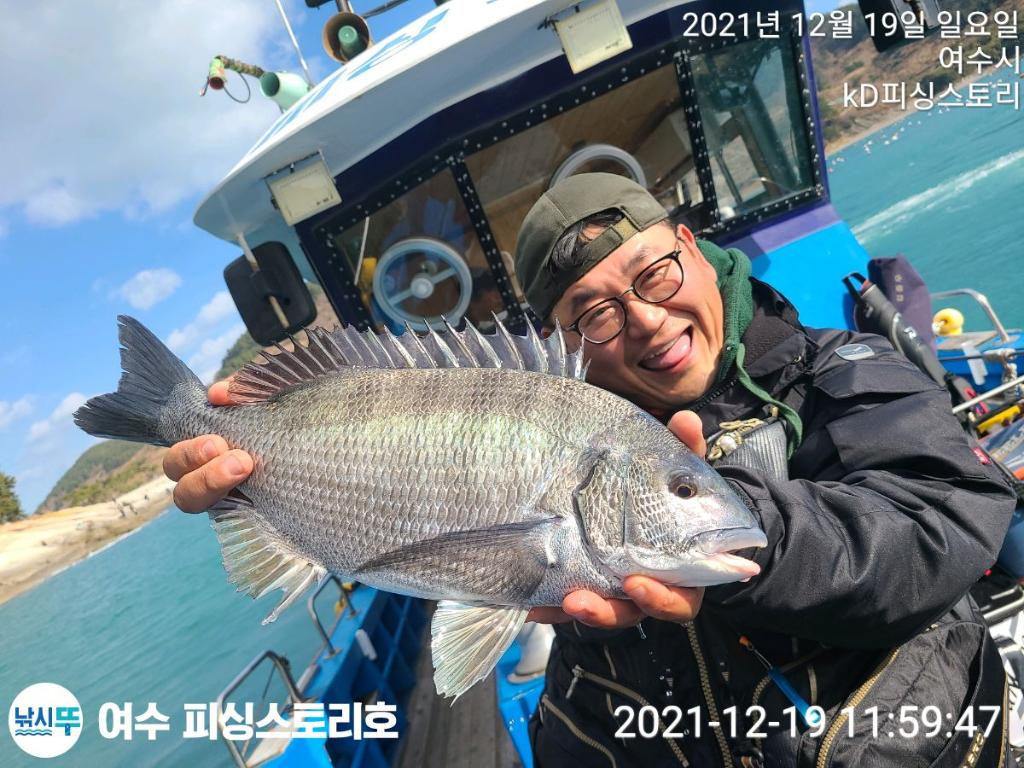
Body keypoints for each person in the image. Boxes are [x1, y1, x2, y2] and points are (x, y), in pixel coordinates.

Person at [164, 174, 1016, 767]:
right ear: (565, 340)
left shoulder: (845, 370)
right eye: (596, 313)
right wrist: (249, 486)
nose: (645, 320)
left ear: (691, 247)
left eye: (654, 273)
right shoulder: (583, 442)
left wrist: (758, 534)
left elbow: (942, 516)